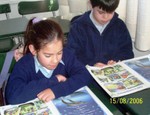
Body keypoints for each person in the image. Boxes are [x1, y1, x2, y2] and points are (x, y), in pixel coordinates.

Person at [5, 18, 92, 104]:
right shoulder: (24, 64)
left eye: (59, 53)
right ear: (33, 50)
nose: (55, 60)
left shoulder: (67, 55)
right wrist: (54, 80)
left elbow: (85, 75)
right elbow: (13, 97)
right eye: (48, 55)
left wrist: (56, 91)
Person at [66, 0, 134, 67]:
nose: (106, 17)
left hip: (112, 72)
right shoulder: (78, 27)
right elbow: (72, 55)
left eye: (110, 12)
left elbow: (127, 52)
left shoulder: (119, 26)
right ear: (91, 5)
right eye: (101, 12)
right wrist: (91, 65)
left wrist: (116, 61)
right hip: (85, 72)